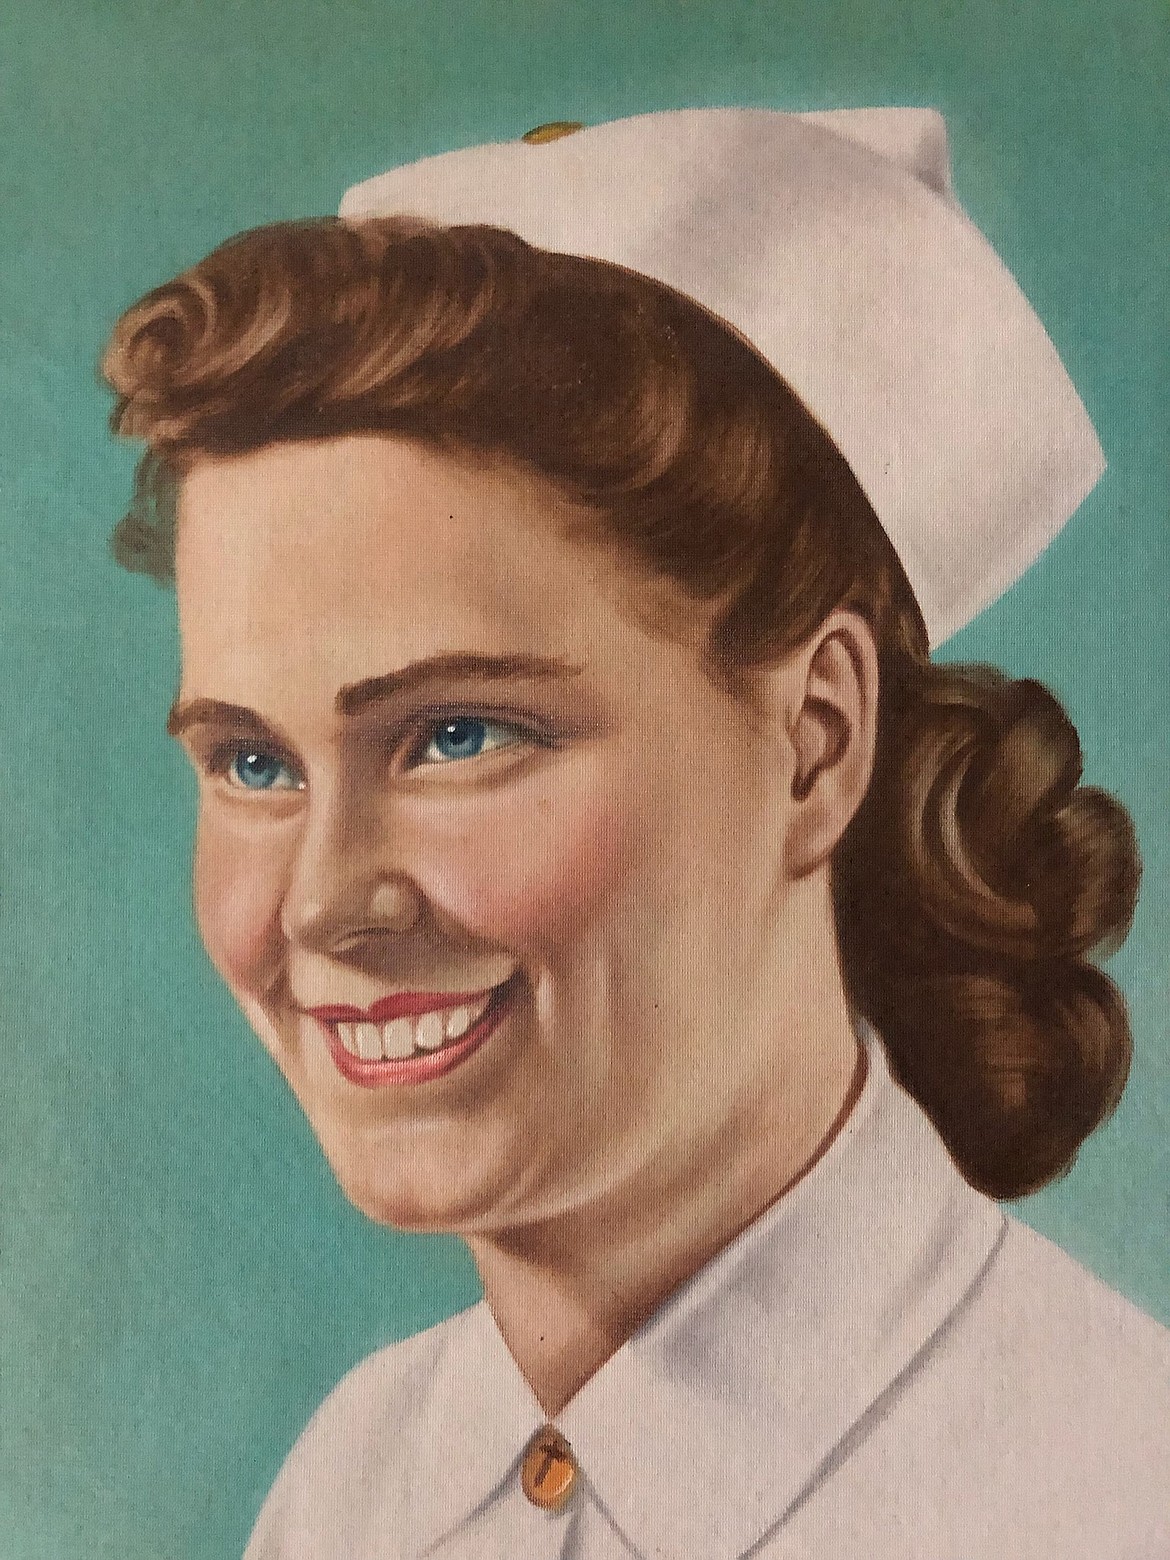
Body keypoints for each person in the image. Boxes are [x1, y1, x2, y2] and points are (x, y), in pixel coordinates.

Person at [101, 109, 1170, 1558]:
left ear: (816, 742)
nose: (321, 902)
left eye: (458, 735)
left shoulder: (1112, 1488)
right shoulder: (359, 1488)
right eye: (251, 762)